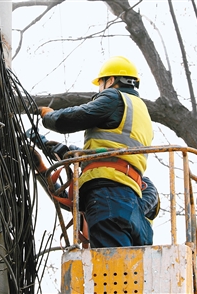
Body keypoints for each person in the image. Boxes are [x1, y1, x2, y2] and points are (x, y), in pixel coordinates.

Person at [38, 56, 155, 248]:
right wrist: (60, 149)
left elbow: (72, 118)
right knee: (126, 265)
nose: (99, 89)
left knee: (112, 269)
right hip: (129, 194)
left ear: (111, 81)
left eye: (101, 83)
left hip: (107, 192)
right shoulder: (142, 113)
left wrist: (49, 116)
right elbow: (110, 151)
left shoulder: (114, 97)